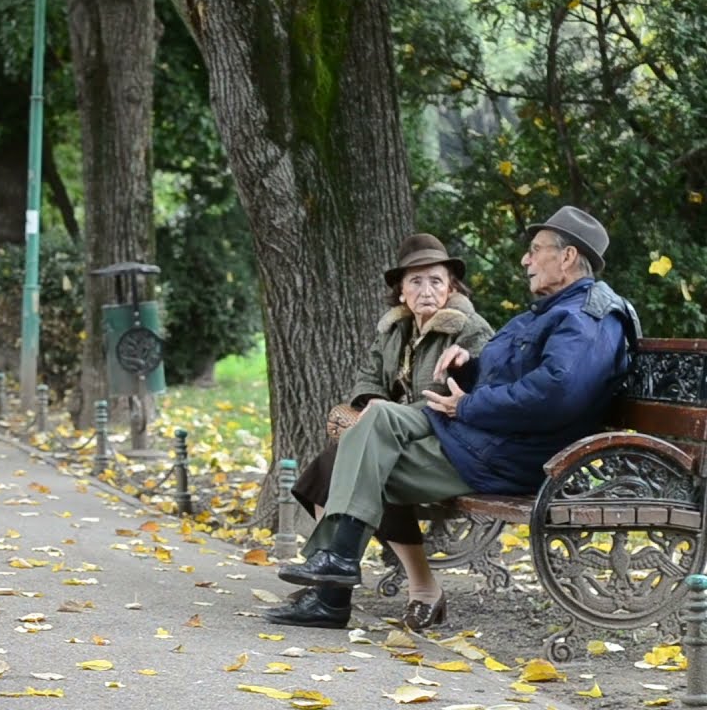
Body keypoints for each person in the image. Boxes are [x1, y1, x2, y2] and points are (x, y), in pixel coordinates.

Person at [274, 206, 641, 627]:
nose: (526, 260)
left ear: (568, 257)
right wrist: (467, 366)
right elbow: (510, 373)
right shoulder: (552, 311)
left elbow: (553, 395)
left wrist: (466, 404)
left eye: (535, 250)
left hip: (507, 455)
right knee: (373, 422)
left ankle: (332, 594)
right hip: (478, 434)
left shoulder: (587, 319)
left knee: (359, 463)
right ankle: (337, 565)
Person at [267, 234, 494, 630]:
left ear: (451, 287)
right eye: (416, 282)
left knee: (370, 464)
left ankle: (398, 589)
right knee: (330, 466)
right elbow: (368, 376)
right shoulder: (394, 332)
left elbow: (457, 397)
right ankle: (331, 593)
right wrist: (370, 401)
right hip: (394, 433)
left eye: (437, 281)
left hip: (444, 438)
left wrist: (387, 416)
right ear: (401, 292)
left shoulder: (469, 330)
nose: (427, 291)